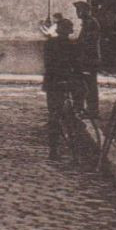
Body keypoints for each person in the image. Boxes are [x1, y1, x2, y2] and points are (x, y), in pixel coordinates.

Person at [41, 12, 78, 159]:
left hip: (53, 83)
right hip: (65, 82)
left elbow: (47, 63)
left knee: (54, 115)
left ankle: (54, 149)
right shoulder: (71, 45)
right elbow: (75, 65)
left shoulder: (50, 43)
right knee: (67, 116)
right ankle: (70, 150)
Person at [72, 0, 102, 118]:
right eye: (77, 10)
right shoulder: (87, 23)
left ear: (86, 11)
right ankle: (87, 109)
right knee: (86, 84)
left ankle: (93, 111)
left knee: (90, 85)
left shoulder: (90, 23)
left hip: (89, 59)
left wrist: (76, 46)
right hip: (86, 59)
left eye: (79, 10)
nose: (77, 13)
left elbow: (87, 42)